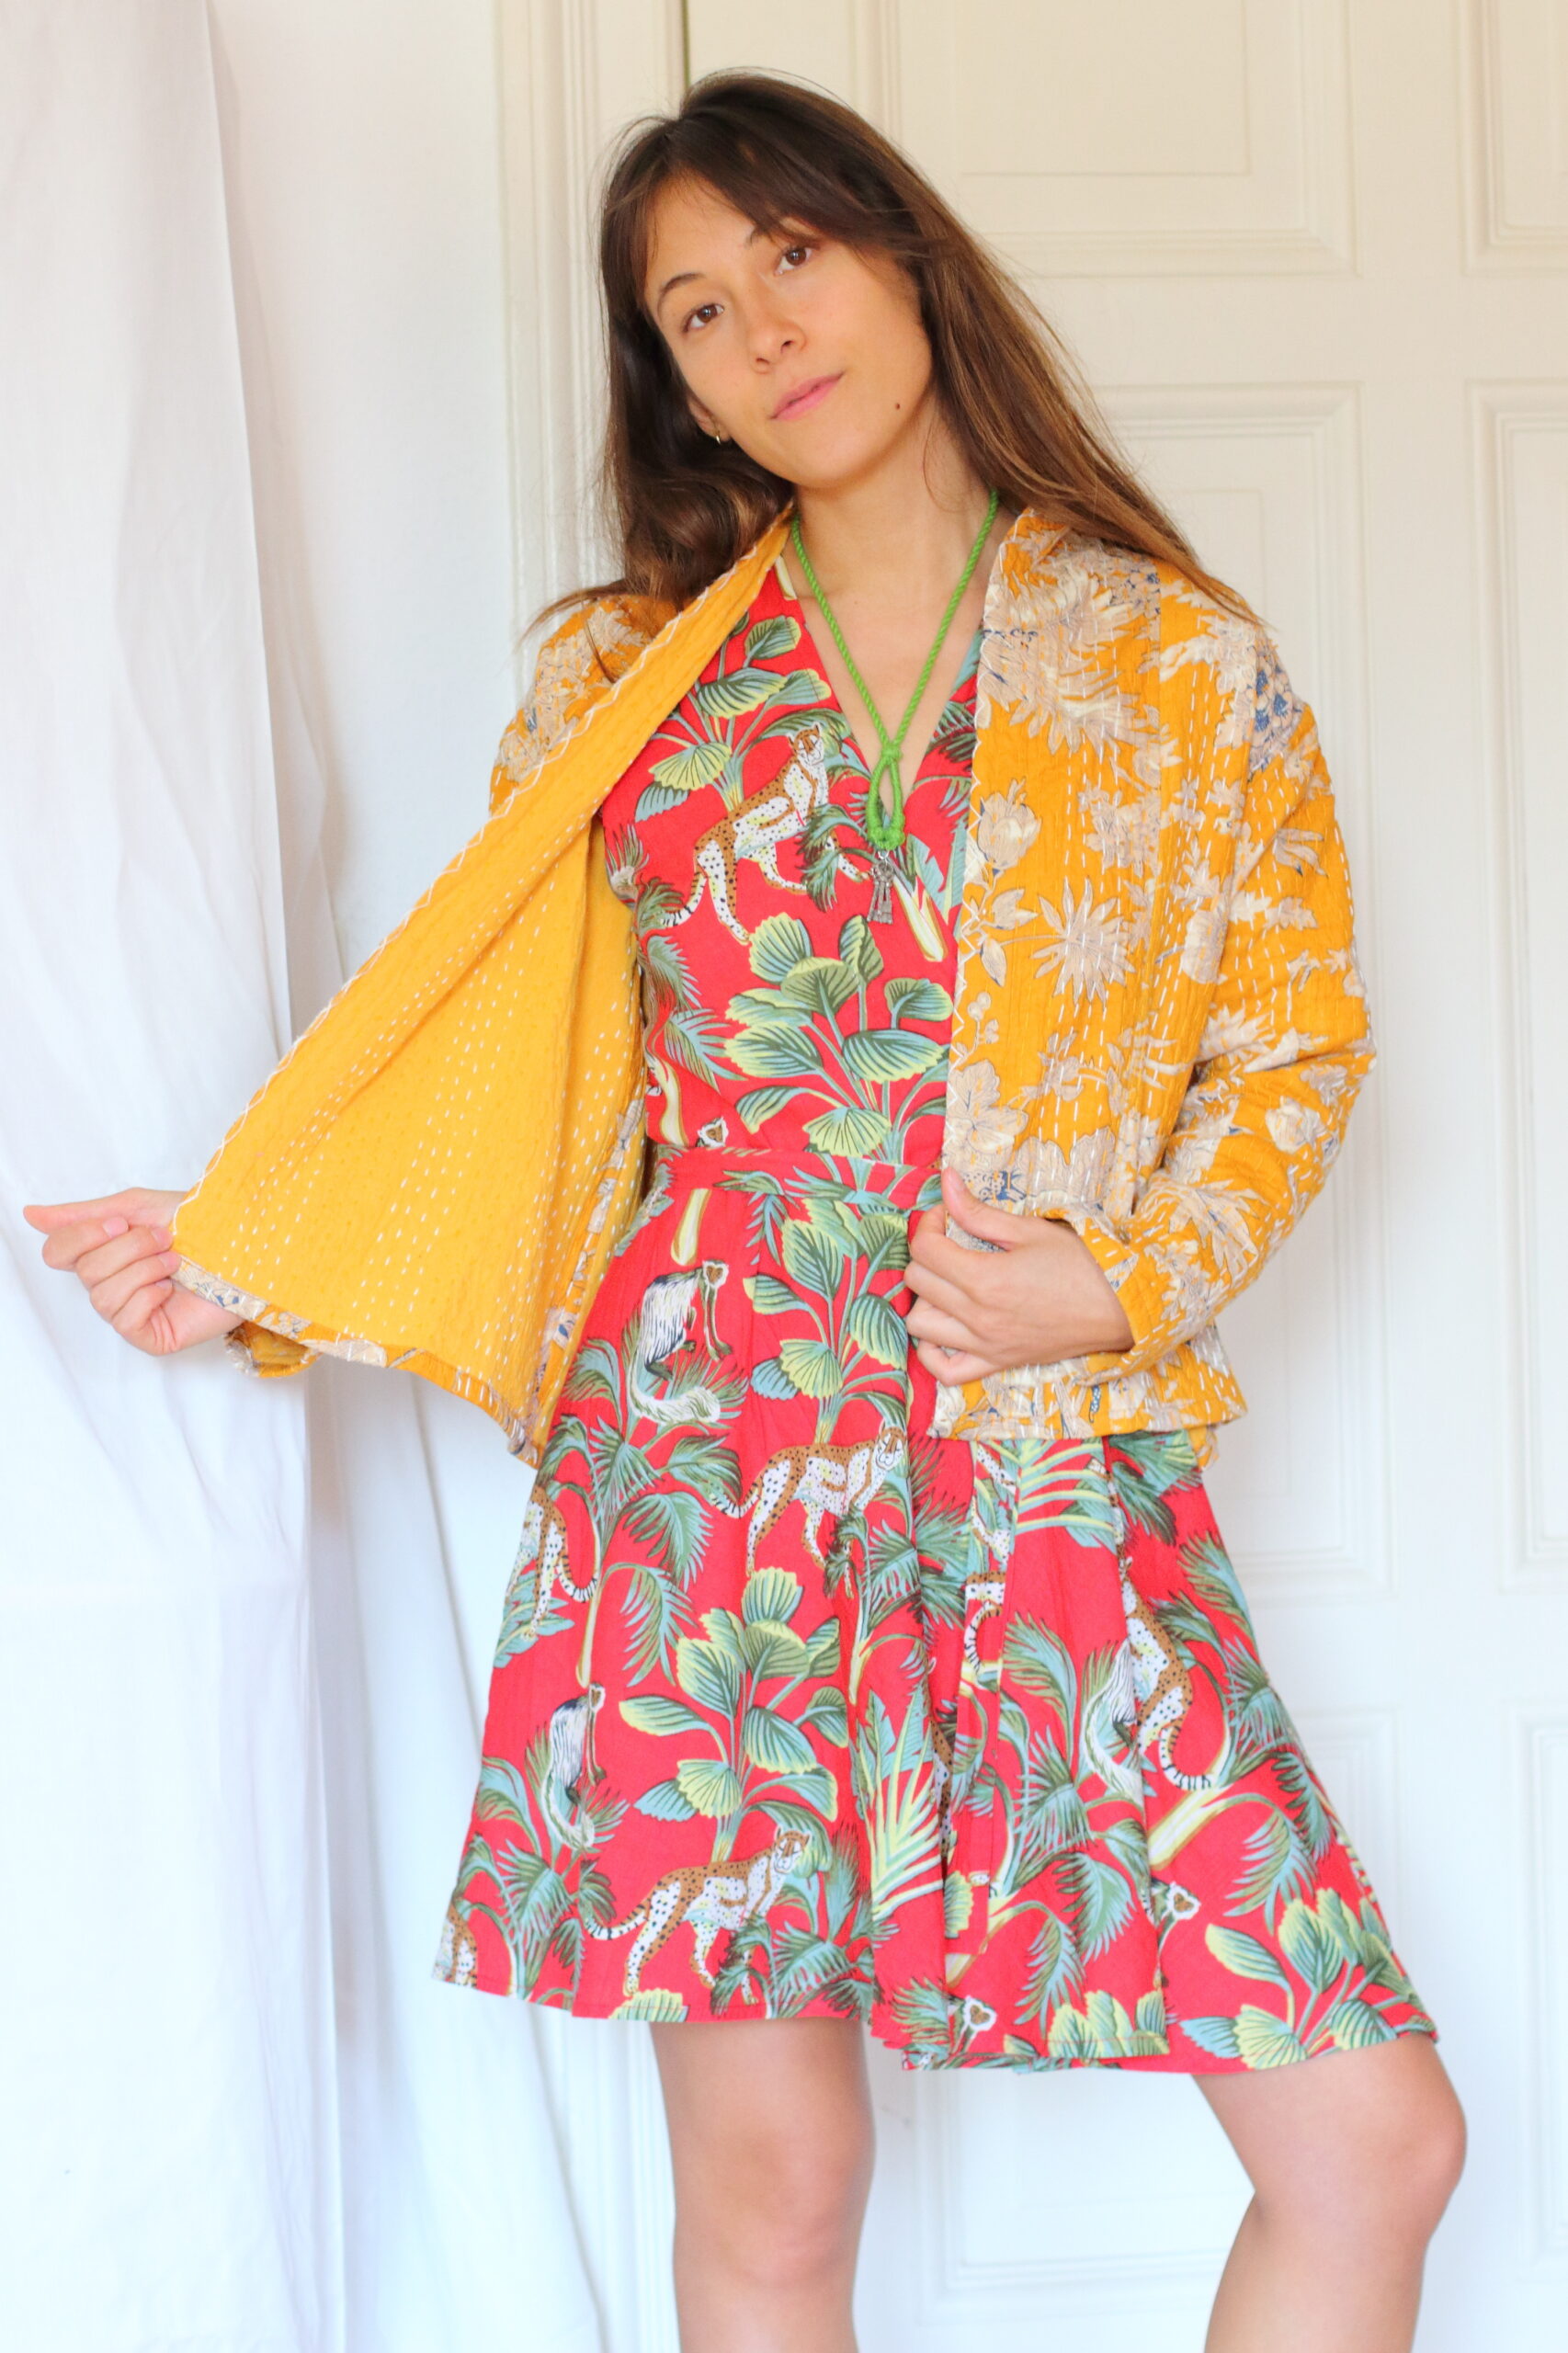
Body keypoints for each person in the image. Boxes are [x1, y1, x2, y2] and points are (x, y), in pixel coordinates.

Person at [27, 68, 1462, 2353]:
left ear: (904, 258)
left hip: (1042, 1466)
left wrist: (1128, 1278)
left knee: (1370, 2146)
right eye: (697, 309)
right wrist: (256, 1237)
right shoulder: (624, 679)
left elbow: (1294, 1044)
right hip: (706, 1481)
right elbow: (516, 1050)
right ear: (675, 386)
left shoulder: (1176, 658)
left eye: (791, 255)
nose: (763, 328)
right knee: (778, 2188)